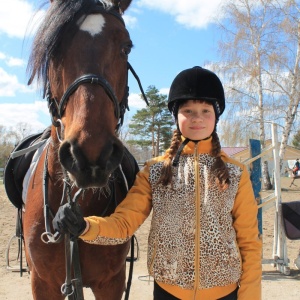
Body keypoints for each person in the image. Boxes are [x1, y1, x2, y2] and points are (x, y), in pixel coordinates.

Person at [53, 66, 262, 300]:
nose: (197, 118)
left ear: (216, 116)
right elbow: (124, 224)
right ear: (176, 115)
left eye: (205, 110)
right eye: (188, 110)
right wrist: (84, 227)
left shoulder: (236, 173)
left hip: (225, 292)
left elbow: (249, 243)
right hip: (167, 292)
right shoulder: (155, 171)